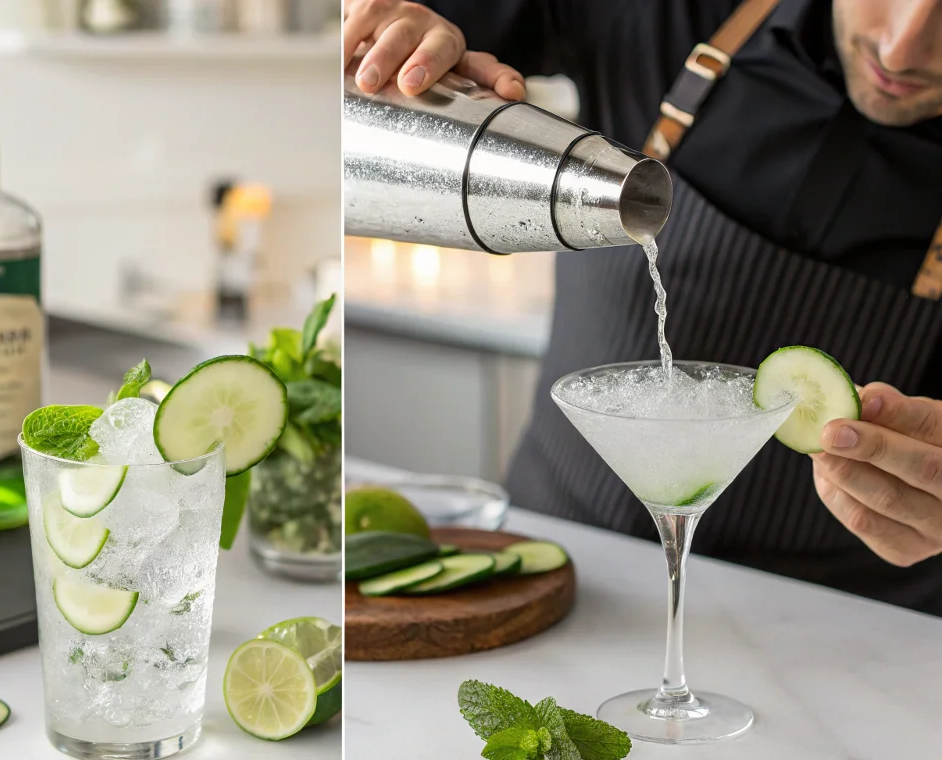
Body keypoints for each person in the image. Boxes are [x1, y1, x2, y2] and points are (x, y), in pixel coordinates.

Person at [344, 0, 942, 614]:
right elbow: (401, 35)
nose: (901, 49)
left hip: (839, 636)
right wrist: (403, 30)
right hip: (542, 566)